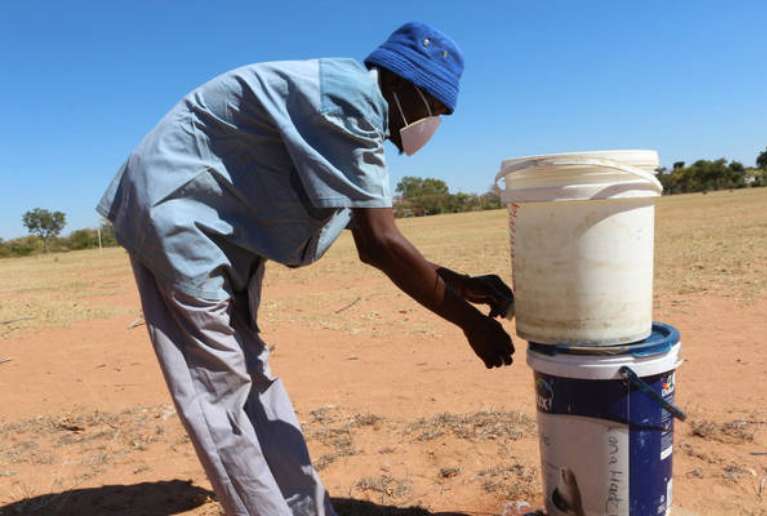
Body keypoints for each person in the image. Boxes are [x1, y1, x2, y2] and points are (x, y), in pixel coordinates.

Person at [97, 21, 515, 516]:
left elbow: (371, 233)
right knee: (219, 393)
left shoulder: (348, 106)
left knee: (253, 375)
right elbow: (380, 244)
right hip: (174, 219)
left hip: (220, 231)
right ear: (402, 82)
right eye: (435, 108)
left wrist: (456, 284)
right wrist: (470, 325)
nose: (434, 124)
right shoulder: (350, 102)